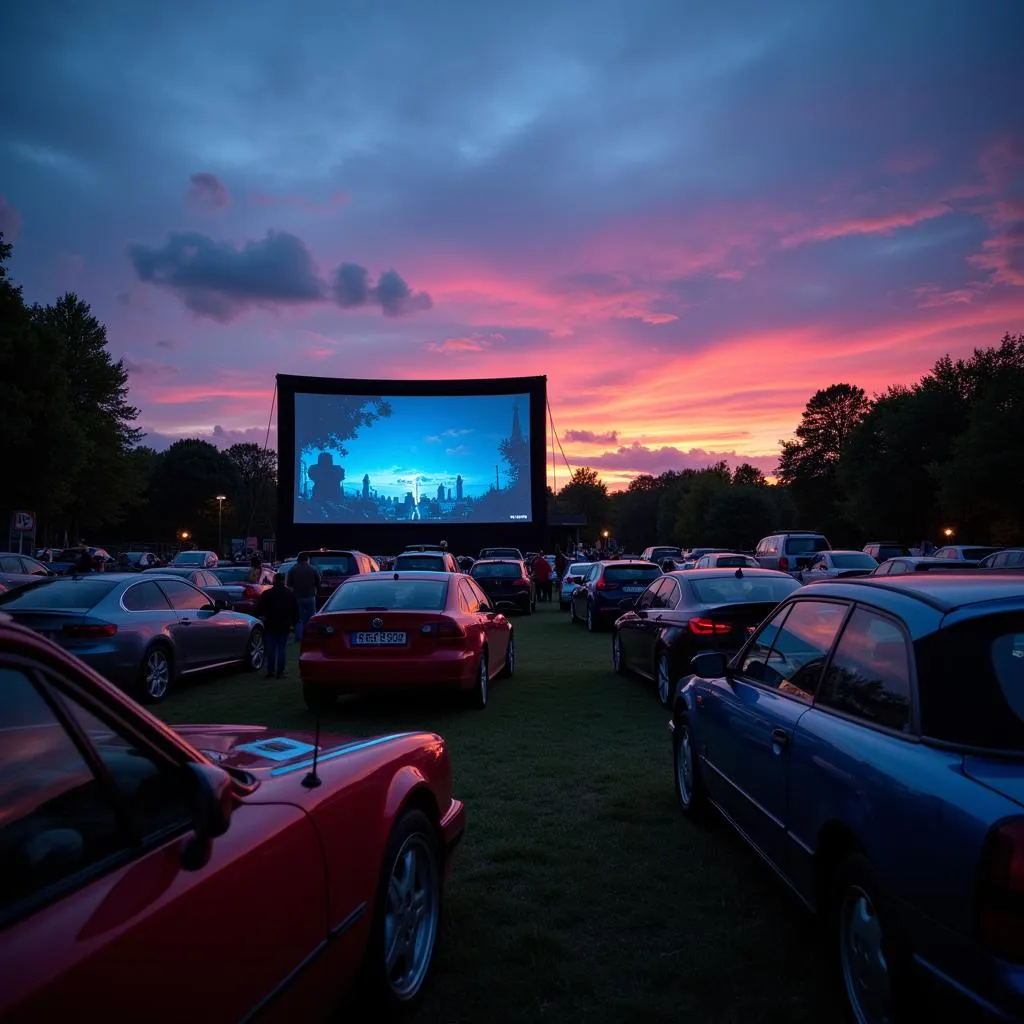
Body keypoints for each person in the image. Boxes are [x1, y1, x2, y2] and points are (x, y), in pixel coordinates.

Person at [255, 574, 299, 679]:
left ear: (274, 580)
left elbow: (259, 609)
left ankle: (270, 671)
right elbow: (295, 611)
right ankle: (281, 671)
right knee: (281, 648)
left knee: (271, 648)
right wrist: (294, 623)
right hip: (284, 624)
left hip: (270, 624)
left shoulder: (267, 593)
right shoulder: (289, 594)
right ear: (283, 581)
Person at [286, 552, 321, 642]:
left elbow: (289, 584)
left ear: (298, 560)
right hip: (310, 596)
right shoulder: (313, 569)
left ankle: (299, 636)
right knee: (312, 616)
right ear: (307, 559)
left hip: (298, 597)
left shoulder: (293, 569)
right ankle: (312, 635)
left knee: (298, 617)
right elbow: (318, 583)